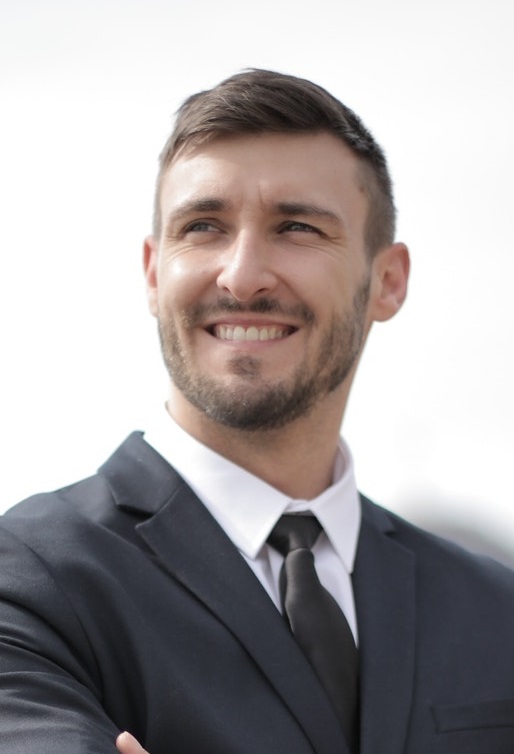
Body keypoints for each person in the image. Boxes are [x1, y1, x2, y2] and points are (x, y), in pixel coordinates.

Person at [1, 69, 513, 754]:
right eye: (202, 227)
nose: (242, 276)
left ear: (386, 281)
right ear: (153, 272)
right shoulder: (28, 584)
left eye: (296, 227)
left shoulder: (495, 610)